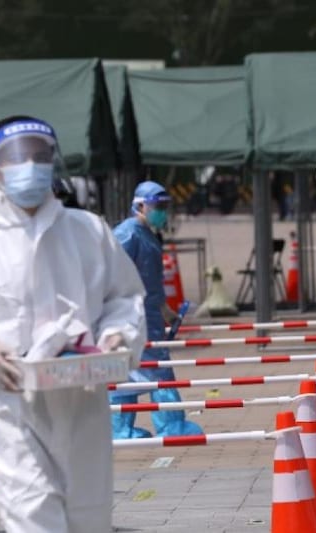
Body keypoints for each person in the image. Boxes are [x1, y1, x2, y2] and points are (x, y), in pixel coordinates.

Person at [0, 115, 147, 533]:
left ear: (53, 161)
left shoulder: (87, 232)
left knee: (89, 520)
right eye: (16, 157)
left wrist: (118, 337)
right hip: (13, 413)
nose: (29, 165)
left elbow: (125, 299)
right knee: (35, 520)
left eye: (39, 156)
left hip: (83, 406)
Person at [110, 181, 204, 439]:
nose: (162, 212)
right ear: (140, 205)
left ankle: (121, 428)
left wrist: (165, 310)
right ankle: (170, 425)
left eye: (165, 207)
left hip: (147, 315)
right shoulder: (127, 235)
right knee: (155, 369)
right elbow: (110, 276)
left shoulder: (146, 234)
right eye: (158, 206)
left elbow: (151, 282)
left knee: (132, 370)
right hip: (131, 316)